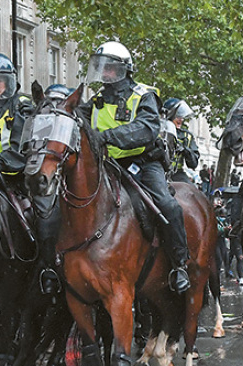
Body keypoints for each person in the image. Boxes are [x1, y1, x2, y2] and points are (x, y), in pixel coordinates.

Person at [78, 41, 191, 293]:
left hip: (142, 162)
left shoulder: (144, 95)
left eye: (110, 68)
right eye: (101, 68)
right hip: (106, 164)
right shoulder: (95, 100)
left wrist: (108, 137)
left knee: (167, 204)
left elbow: (147, 128)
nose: (105, 73)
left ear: (124, 69)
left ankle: (179, 264)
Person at [0, 53, 63, 294]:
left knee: (43, 216)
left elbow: (23, 149)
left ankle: (48, 270)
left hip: (22, 178)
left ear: (8, 81)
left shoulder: (21, 107)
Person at [162, 98, 200, 183]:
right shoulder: (158, 131)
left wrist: (187, 151)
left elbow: (193, 164)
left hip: (177, 173)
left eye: (182, 117)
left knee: (194, 191)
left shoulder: (187, 136)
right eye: (178, 116)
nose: (181, 119)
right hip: (158, 171)